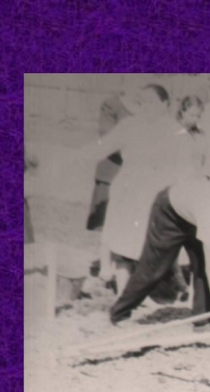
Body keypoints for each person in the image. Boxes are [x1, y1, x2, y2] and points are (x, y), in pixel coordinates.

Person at [77, 84, 191, 295]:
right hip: (127, 191)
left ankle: (145, 291)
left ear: (165, 104)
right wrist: (78, 155)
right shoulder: (130, 125)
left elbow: (185, 167)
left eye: (151, 102)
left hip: (156, 194)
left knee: (147, 243)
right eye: (142, 102)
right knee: (123, 243)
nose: (146, 106)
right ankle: (123, 294)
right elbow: (103, 146)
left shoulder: (177, 132)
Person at [109, 177, 210, 328]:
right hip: (169, 211)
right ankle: (119, 313)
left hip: (192, 211)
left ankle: (203, 318)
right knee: (155, 268)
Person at [85, 93, 132, 276]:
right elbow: (108, 138)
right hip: (112, 171)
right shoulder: (112, 105)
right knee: (107, 223)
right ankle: (105, 267)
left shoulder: (148, 105)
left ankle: (120, 267)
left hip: (135, 176)